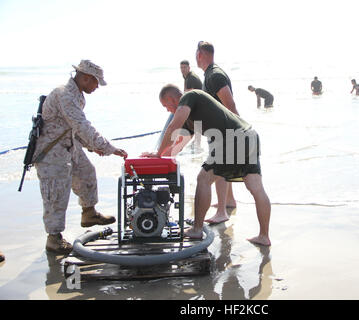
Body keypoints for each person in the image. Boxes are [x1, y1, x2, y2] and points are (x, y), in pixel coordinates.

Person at [141, 85, 271, 246]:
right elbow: (178, 142)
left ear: (172, 99)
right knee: (256, 187)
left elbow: (173, 127)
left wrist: (157, 154)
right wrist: (160, 160)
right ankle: (264, 236)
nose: (167, 111)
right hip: (249, 136)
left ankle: (196, 229)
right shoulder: (191, 118)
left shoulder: (189, 96)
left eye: (165, 106)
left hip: (232, 139)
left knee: (203, 179)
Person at [34, 60, 128, 254]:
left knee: (86, 173)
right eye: (95, 83)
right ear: (85, 78)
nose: (96, 87)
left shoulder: (77, 96)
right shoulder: (65, 95)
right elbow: (82, 126)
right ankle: (54, 238)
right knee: (56, 194)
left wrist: (93, 147)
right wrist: (108, 147)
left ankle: (89, 213)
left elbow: (75, 130)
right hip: (51, 153)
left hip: (69, 146)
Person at [196, 41, 238, 223]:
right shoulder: (211, 74)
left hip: (224, 130)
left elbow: (230, 104)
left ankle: (222, 211)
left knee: (219, 169)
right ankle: (229, 201)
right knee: (223, 167)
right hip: (219, 130)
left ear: (199, 54)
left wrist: (238, 130)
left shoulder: (214, 75)